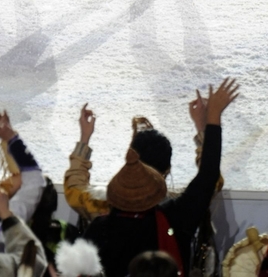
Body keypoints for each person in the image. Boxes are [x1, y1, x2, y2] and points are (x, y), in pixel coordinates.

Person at [81, 78, 239, 277]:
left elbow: (73, 187)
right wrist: (209, 122)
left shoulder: (98, 226)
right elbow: (209, 177)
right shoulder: (176, 217)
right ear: (164, 173)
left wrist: (84, 138)